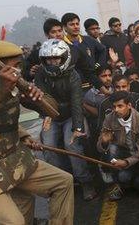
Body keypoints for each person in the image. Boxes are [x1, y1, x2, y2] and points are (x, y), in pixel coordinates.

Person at [0, 40, 74, 224]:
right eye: (16, 66)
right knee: (15, 222)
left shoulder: (12, 84)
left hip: (15, 160)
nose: (19, 71)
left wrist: (35, 99)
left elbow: (53, 110)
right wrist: (2, 89)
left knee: (63, 182)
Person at [35, 39, 97, 201]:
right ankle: (59, 185)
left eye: (56, 58)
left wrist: (77, 128)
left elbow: (77, 103)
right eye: (48, 59)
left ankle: (85, 182)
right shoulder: (41, 73)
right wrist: (46, 117)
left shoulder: (73, 75)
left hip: (71, 114)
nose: (52, 62)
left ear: (64, 57)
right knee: (48, 146)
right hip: (51, 115)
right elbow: (42, 98)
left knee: (72, 145)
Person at [97, 91, 139, 201]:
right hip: (118, 153)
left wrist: (126, 162)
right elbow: (99, 148)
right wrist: (103, 142)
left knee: (137, 182)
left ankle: (123, 179)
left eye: (120, 106)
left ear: (129, 105)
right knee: (112, 148)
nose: (116, 110)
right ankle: (114, 179)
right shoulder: (109, 118)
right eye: (114, 107)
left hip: (135, 157)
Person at [60, 13, 107, 93]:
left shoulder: (88, 40)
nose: (75, 27)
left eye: (77, 24)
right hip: (75, 88)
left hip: (94, 84)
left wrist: (98, 64)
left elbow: (103, 50)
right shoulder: (61, 45)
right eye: (72, 24)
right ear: (64, 27)